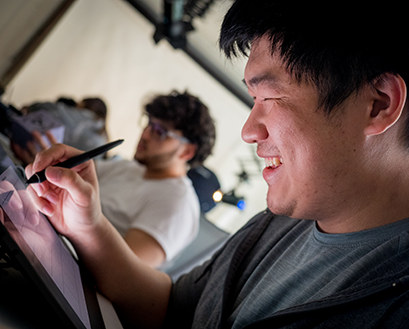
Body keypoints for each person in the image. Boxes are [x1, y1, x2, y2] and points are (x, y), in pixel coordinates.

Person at [25, 0, 409, 328]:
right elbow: (172, 310)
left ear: (377, 103)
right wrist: (86, 225)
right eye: (251, 100)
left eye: (269, 98)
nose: (248, 130)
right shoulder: (279, 223)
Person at [94, 90, 216, 268]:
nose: (145, 134)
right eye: (149, 123)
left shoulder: (177, 204)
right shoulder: (130, 168)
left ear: (187, 151)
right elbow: (76, 172)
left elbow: (120, 270)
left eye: (160, 132)